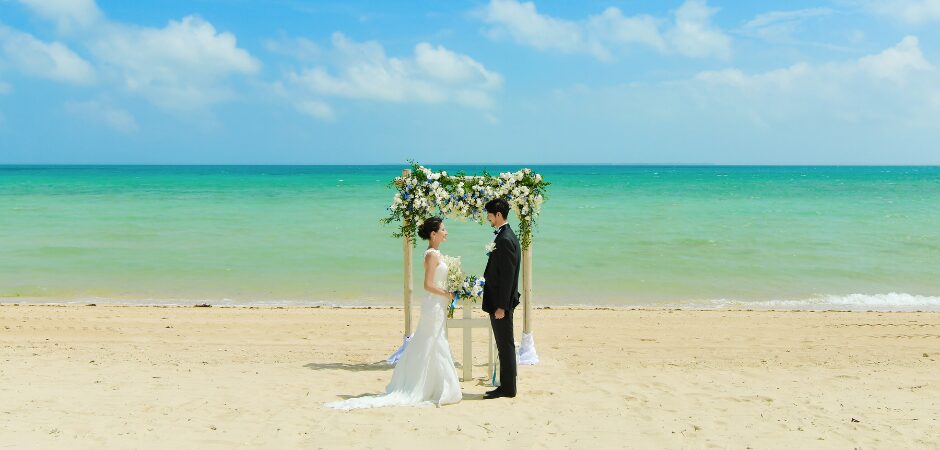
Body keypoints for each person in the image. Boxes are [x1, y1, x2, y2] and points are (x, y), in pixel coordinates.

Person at [325, 217, 461, 410]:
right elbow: (427, 285)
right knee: (434, 342)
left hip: (438, 304)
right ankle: (435, 387)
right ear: (433, 234)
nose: (446, 232)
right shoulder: (431, 255)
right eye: (443, 229)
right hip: (434, 304)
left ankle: (435, 385)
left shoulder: (438, 253)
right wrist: (447, 294)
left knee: (434, 342)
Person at [481, 198, 521, 399]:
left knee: (505, 344)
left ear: (498, 215)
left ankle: (508, 389)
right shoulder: (505, 236)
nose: (487, 217)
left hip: (501, 303)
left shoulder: (505, 239)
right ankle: (506, 386)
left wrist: (501, 307)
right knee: (504, 344)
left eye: (489, 214)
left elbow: (508, 277)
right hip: (500, 302)